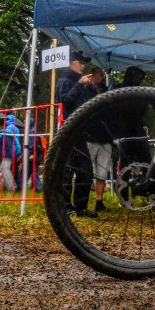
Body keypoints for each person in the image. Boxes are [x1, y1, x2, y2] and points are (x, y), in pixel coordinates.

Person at [55, 51, 97, 217]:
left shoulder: (83, 85)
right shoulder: (65, 81)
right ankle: (65, 206)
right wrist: (79, 84)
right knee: (68, 170)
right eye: (81, 62)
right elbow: (65, 101)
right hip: (68, 132)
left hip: (81, 132)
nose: (83, 65)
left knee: (86, 170)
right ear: (72, 63)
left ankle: (81, 206)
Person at [76, 67, 112, 212]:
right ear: (92, 77)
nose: (100, 78)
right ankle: (82, 201)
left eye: (102, 76)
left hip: (105, 138)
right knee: (86, 171)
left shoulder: (106, 92)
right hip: (90, 137)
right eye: (98, 75)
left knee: (102, 172)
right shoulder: (86, 92)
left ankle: (99, 201)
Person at [0, 114, 22, 192]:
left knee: (5, 169)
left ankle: (12, 187)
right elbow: (17, 141)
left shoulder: (5, 130)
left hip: (7, 153)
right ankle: (7, 187)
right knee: (8, 169)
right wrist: (18, 152)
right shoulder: (15, 128)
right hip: (13, 152)